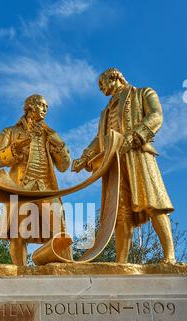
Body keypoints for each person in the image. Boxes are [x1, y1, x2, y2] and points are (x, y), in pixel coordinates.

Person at [73, 68, 175, 264]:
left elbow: (156, 115)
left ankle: (169, 256)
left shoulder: (143, 93)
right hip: (114, 163)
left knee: (154, 202)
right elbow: (100, 139)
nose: (101, 88)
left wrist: (134, 135)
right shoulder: (105, 112)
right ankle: (122, 262)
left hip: (138, 156)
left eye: (103, 83)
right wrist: (85, 157)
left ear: (115, 77)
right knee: (120, 213)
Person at [0, 94, 72, 265]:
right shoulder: (11, 132)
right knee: (17, 234)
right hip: (20, 186)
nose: (45, 109)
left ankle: (68, 269)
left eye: (46, 107)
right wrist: (15, 149)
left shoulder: (50, 134)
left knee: (60, 229)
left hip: (46, 188)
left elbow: (64, 166)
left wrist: (59, 144)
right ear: (30, 106)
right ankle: (20, 274)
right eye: (42, 105)